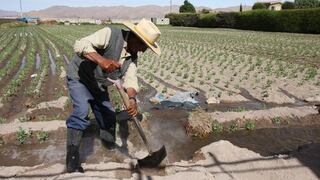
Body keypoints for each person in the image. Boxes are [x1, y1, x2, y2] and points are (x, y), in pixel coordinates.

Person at [65, 18, 161, 173]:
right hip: (80, 78)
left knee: (109, 116)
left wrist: (131, 99)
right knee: (81, 111)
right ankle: (72, 159)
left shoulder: (132, 57)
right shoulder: (110, 34)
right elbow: (80, 44)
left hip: (98, 84)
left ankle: (108, 147)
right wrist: (101, 60)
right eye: (144, 46)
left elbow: (131, 80)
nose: (143, 51)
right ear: (135, 37)